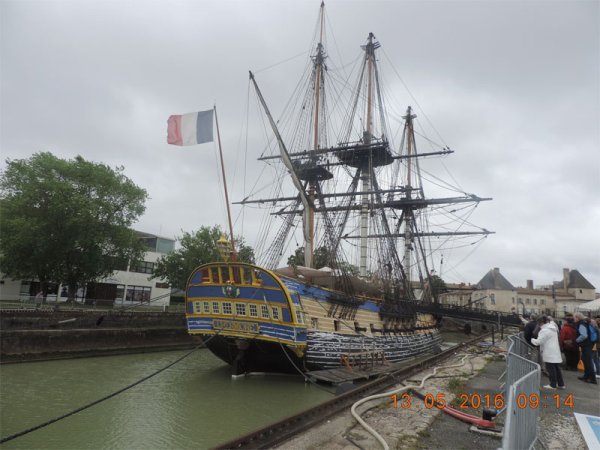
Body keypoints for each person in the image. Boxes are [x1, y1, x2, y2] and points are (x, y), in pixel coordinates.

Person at [531, 315, 565, 390]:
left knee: (551, 368)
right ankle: (561, 384)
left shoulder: (544, 330)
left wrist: (532, 339)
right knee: (557, 368)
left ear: (540, 323)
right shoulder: (553, 328)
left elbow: (538, 342)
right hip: (555, 350)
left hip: (549, 351)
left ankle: (553, 384)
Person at [574, 312, 598, 384]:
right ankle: (586, 376)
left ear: (577, 318)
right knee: (585, 360)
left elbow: (584, 335)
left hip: (587, 345)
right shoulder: (584, 322)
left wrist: (576, 340)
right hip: (588, 344)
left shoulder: (581, 324)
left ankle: (593, 379)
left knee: (588, 361)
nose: (574, 319)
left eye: (574, 318)